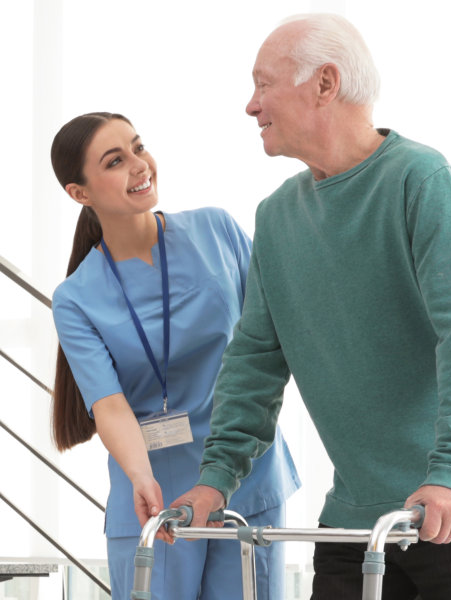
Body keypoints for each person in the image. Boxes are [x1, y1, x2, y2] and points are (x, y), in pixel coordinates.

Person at [166, 14, 451, 600]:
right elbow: (255, 360)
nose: (251, 105)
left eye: (264, 84)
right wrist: (215, 480)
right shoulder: (276, 218)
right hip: (359, 507)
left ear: (325, 83)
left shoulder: (420, 180)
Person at [47, 112, 301, 600]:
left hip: (246, 473)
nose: (140, 166)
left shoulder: (217, 230)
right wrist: (140, 476)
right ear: (80, 193)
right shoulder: (75, 298)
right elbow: (109, 404)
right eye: (116, 161)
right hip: (154, 491)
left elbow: (276, 335)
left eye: (139, 148)